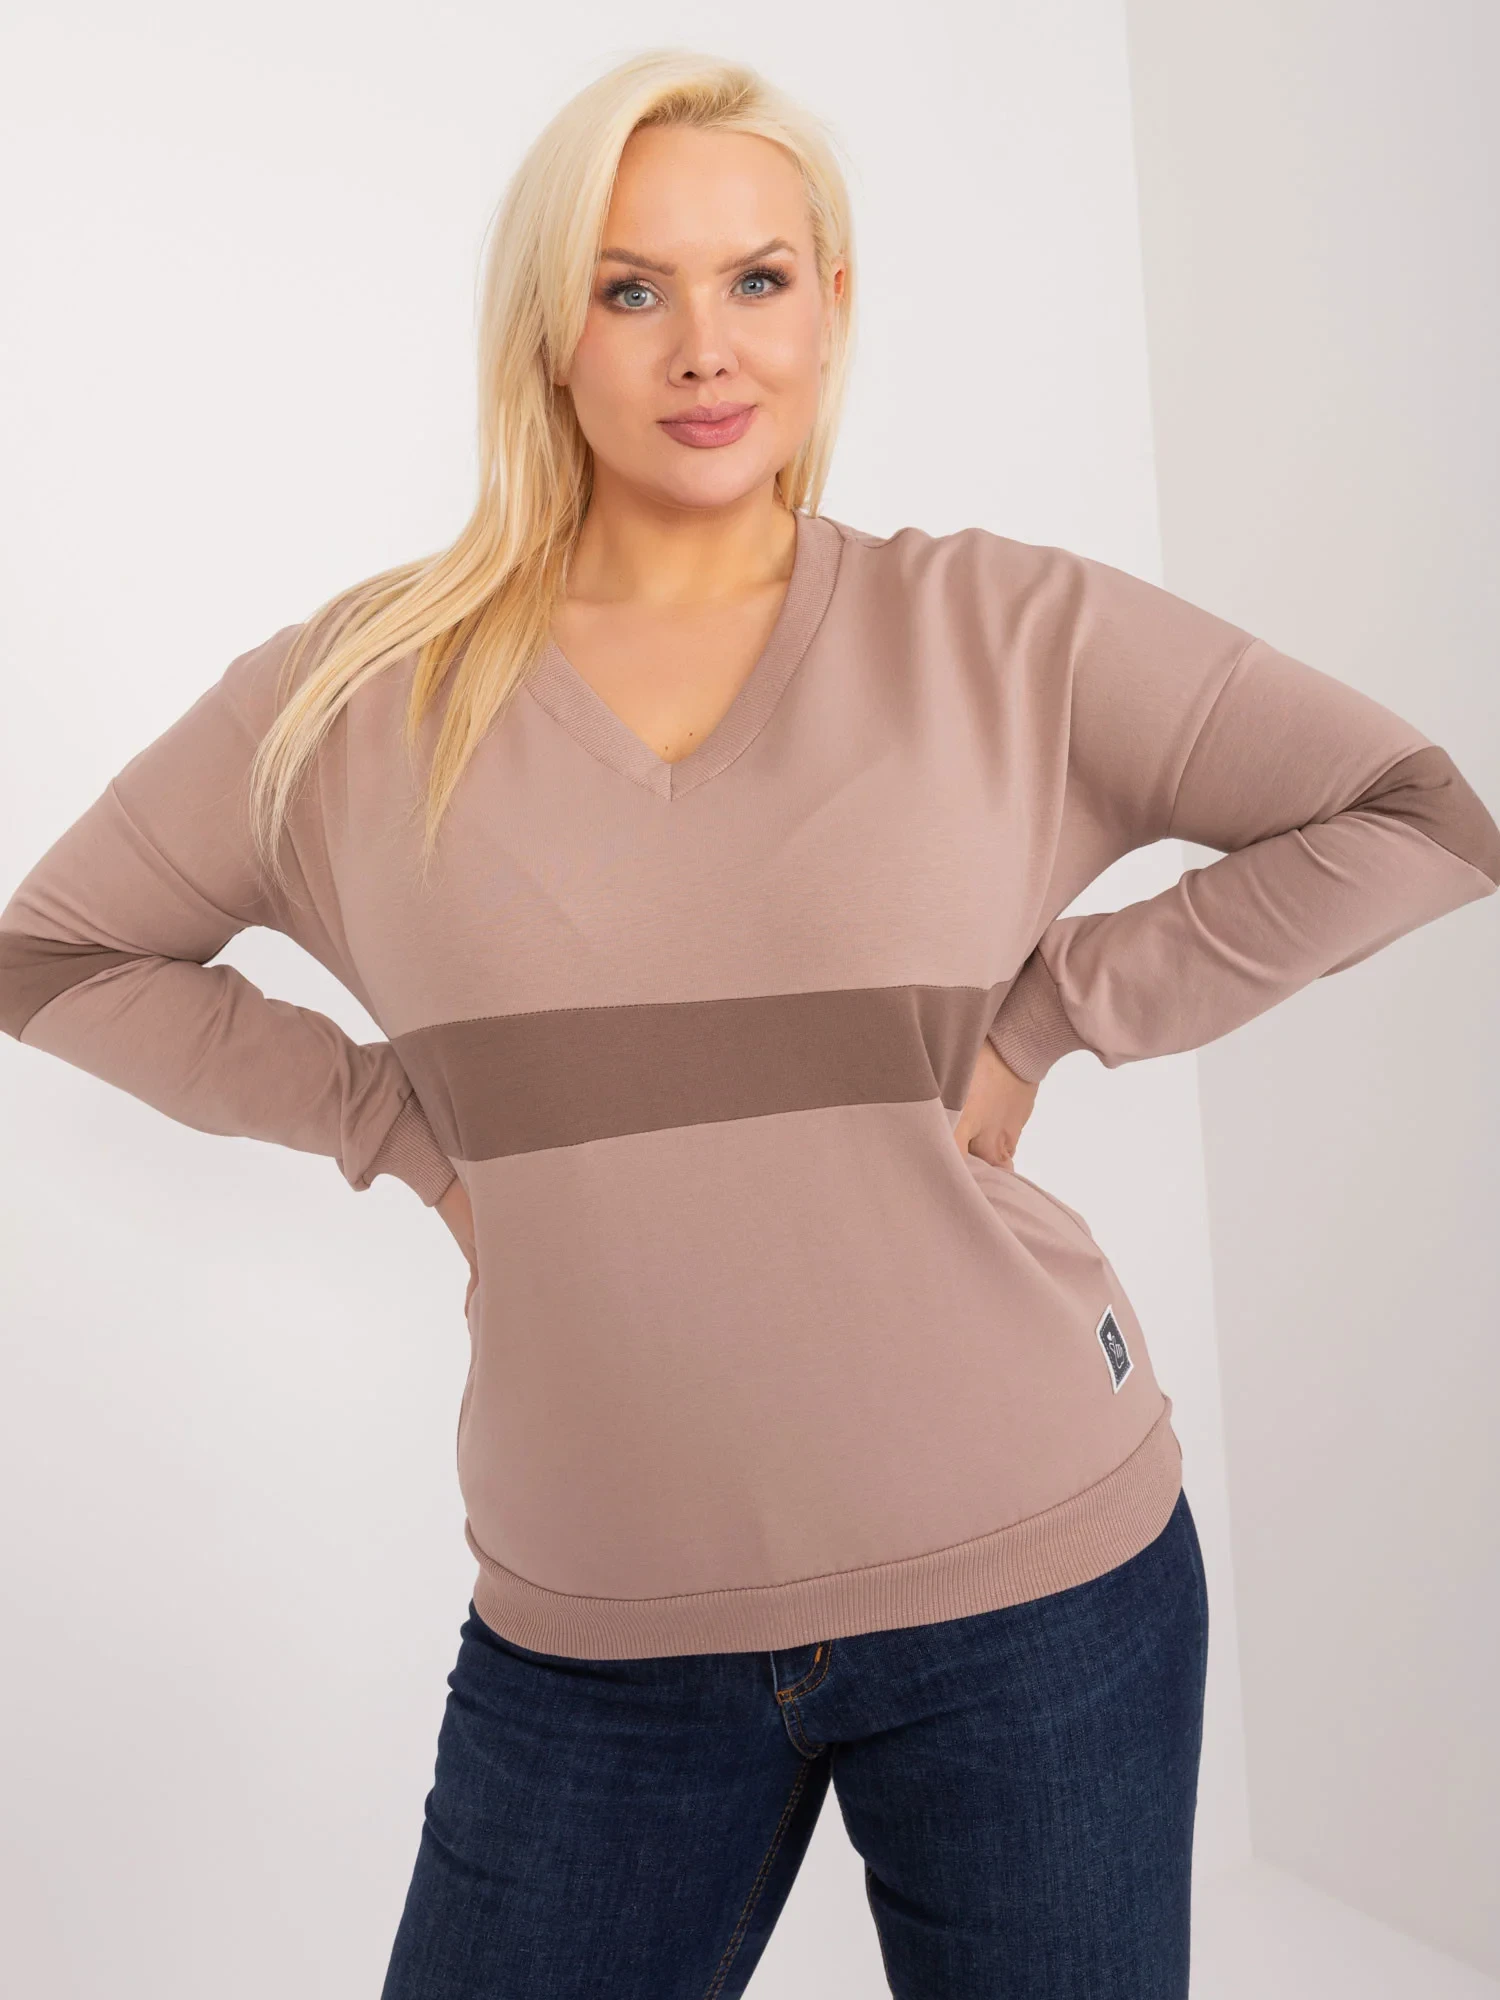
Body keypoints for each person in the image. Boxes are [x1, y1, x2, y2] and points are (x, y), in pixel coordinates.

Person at [2, 44, 1497, 2000]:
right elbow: (55, 952)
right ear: (549, 332)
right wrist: (401, 1126)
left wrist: (1055, 1011)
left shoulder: (1005, 631)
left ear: (831, 302)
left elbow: (1416, 815)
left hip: (1038, 1585)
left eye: (757, 278)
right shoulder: (357, 694)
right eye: (631, 287)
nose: (704, 346)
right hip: (598, 1628)